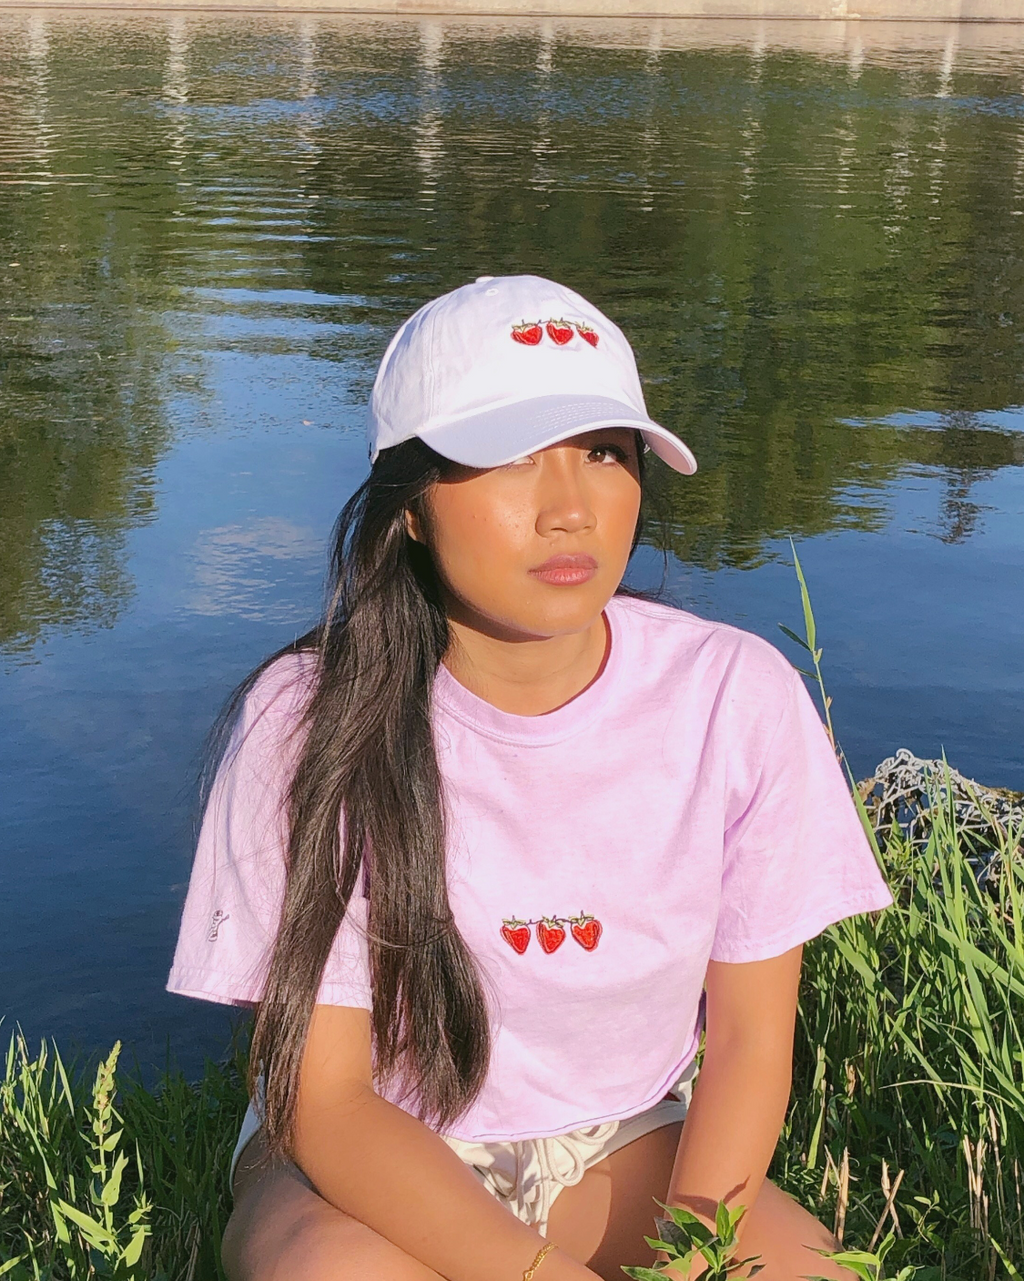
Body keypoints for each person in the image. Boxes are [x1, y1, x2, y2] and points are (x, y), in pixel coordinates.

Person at [167, 274, 894, 1281]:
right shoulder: (304, 720)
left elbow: (746, 1043)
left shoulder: (734, 696)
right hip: (370, 1153)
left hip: (624, 1136)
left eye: (603, 453)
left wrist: (688, 1266)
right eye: (509, 458)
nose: (570, 511)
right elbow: (323, 1100)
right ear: (409, 506)